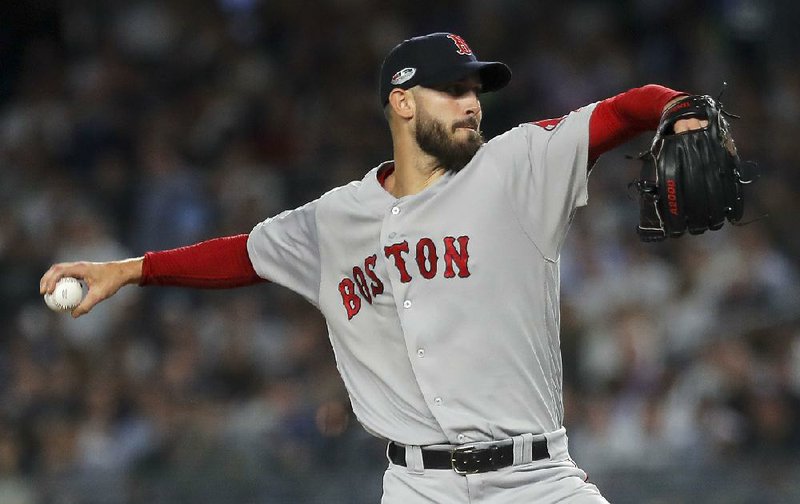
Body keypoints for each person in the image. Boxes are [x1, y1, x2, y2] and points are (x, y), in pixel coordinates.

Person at [41, 32, 707, 503]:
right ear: (403, 101)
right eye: (453, 89)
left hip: (534, 481)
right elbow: (241, 255)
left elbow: (623, 110)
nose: (472, 102)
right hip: (418, 487)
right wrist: (130, 270)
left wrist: (678, 109)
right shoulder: (336, 219)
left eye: (476, 90)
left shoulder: (519, 167)